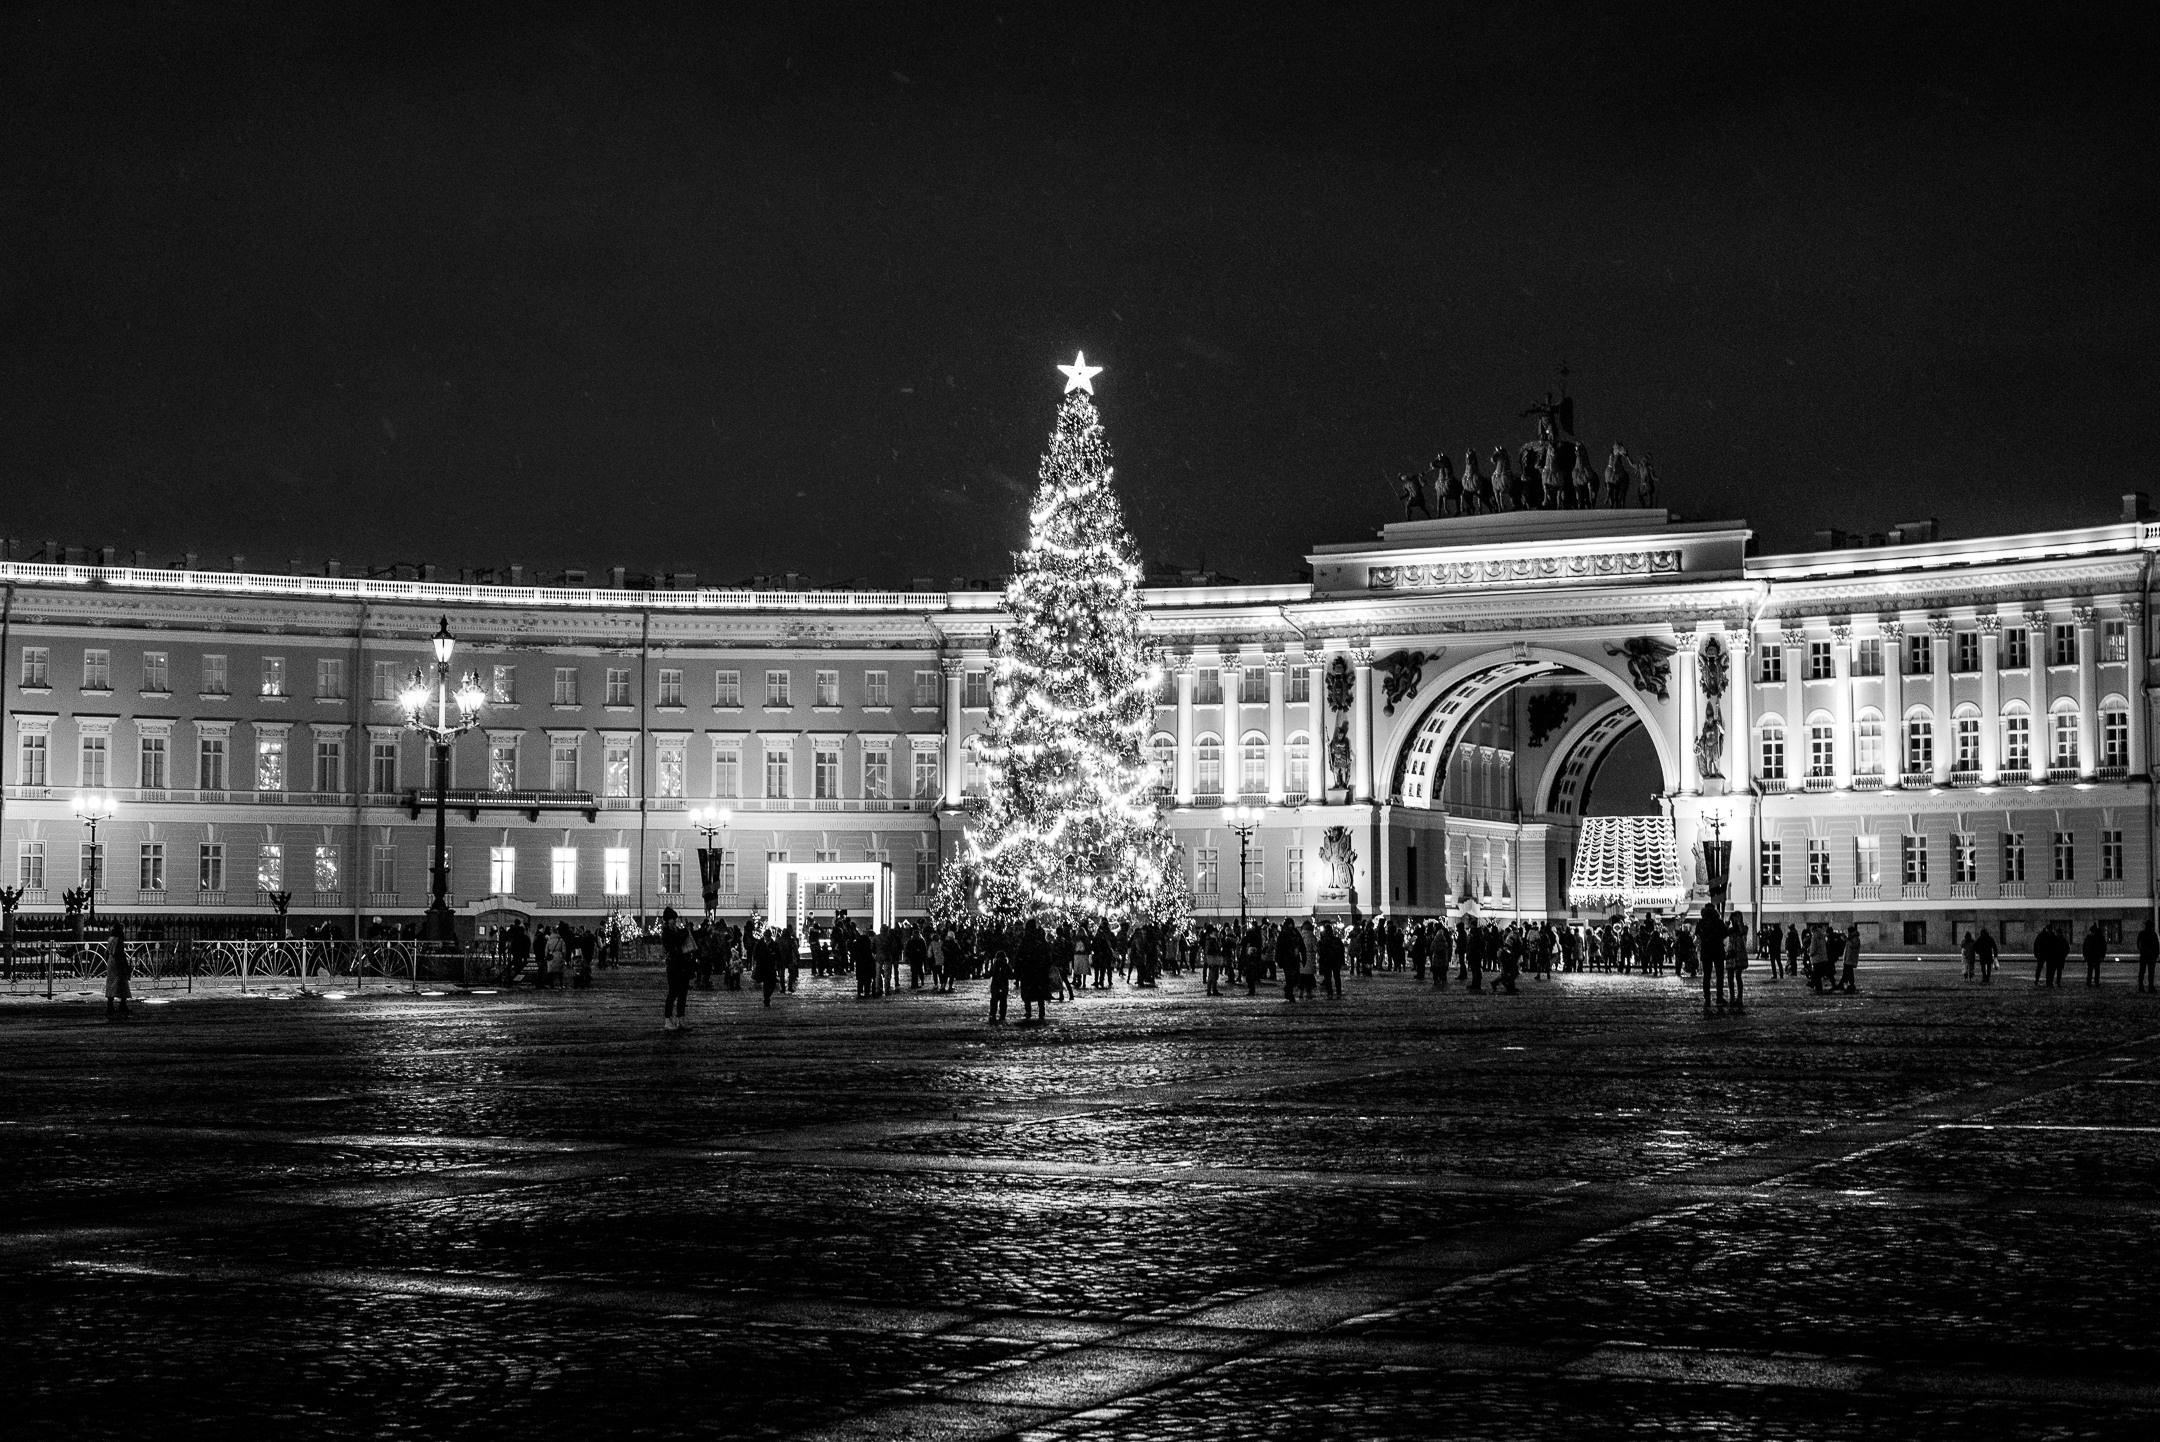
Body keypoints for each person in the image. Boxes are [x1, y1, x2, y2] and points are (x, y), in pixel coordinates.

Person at [660, 907, 693, 1030]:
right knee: (673, 993)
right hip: (674, 966)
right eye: (671, 919)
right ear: (667, 921)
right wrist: (685, 932)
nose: (674, 921)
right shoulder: (667, 933)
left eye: (674, 918)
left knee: (683, 993)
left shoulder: (676, 930)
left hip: (683, 965)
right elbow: (678, 941)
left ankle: (681, 1019)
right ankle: (668, 1020)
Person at [103, 921, 131, 1022]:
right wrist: (125, 966)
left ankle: (110, 1005)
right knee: (122, 983)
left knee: (111, 983)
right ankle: (122, 1004)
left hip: (111, 962)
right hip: (117, 962)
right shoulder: (119, 940)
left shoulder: (110, 939)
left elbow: (106, 952)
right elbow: (120, 953)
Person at [753, 926, 780, 1007]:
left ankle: (767, 996)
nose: (767, 938)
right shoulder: (760, 944)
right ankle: (766, 998)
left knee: (772, 984)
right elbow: (755, 954)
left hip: (771, 967)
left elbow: (778, 955)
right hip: (763, 967)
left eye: (768, 936)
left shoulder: (774, 945)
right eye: (765, 936)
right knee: (766, 984)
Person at [988, 949, 1013, 1023]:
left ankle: (993, 1013)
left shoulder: (995, 964)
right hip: (1004, 984)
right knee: (1003, 1000)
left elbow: (991, 973)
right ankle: (1002, 1014)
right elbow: (1010, 975)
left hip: (995, 984)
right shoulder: (1006, 965)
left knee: (994, 1000)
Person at [2083, 922, 2108, 987]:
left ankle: (2090, 982)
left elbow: (2085, 947)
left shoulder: (2090, 937)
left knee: (2091, 970)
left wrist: (2085, 955)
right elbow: (2104, 947)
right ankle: (2095, 982)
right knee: (2095, 970)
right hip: (2095, 956)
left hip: (2092, 956)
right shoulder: (2099, 937)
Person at [1839, 923, 1860, 992]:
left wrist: (1847, 940)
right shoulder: (1851, 938)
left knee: (1848, 972)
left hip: (1851, 958)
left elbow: (1853, 946)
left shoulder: (1855, 938)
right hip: (1848, 958)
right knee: (1847, 971)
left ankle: (1849, 984)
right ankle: (1844, 984)